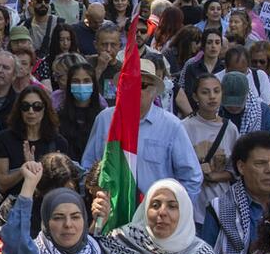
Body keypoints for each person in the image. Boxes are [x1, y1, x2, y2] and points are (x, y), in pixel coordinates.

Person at [79, 57, 202, 211]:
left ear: (154, 92)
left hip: (154, 220)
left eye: (142, 85)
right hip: (111, 216)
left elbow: (191, 177)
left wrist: (175, 212)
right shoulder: (104, 119)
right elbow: (88, 166)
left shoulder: (171, 126)